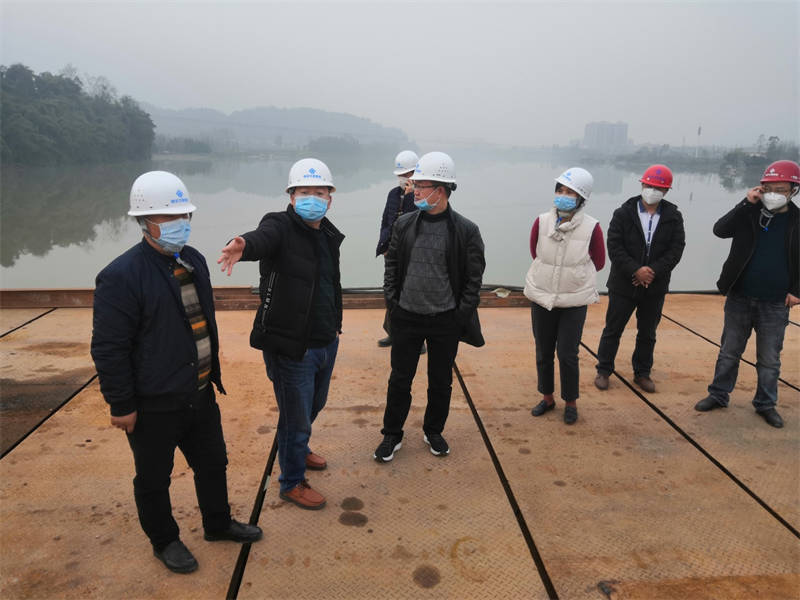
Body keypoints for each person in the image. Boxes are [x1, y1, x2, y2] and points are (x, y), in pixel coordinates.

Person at [91, 171, 262, 575]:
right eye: (168, 217)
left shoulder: (194, 260)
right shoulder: (121, 276)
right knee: (154, 477)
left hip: (199, 392)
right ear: (144, 222)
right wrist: (121, 403)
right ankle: (164, 540)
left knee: (213, 463)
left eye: (184, 215)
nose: (179, 224)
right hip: (154, 403)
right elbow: (109, 348)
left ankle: (218, 524)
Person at [218, 158, 343, 509]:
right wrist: (243, 245)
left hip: (325, 339)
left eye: (319, 192)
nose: (312, 198)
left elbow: (330, 283)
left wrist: (335, 326)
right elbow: (263, 238)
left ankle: (297, 449)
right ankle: (291, 482)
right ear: (291, 197)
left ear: (330, 199)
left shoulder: (327, 234)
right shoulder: (280, 226)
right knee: (295, 418)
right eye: (304, 192)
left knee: (313, 406)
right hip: (291, 347)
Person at [373, 151, 485, 462]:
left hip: (445, 320)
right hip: (406, 317)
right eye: (415, 185)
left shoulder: (466, 230)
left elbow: (473, 280)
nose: (415, 191)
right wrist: (394, 304)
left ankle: (433, 431)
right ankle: (392, 434)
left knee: (440, 381)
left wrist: (458, 316)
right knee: (400, 380)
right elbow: (392, 266)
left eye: (421, 186)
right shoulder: (404, 224)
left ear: (441, 190)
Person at [695, 160, 800, 428]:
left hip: (775, 302)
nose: (774, 194)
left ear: (793, 190)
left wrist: (797, 291)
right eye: (769, 188)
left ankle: (765, 403)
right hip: (740, 296)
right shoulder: (749, 213)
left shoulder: (797, 221)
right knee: (729, 351)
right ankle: (718, 395)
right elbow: (720, 230)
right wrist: (745, 203)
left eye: (781, 189)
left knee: (769, 359)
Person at [594, 164, 685, 393]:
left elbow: (676, 249)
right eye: (649, 186)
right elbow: (614, 246)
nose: (652, 191)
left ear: (666, 191)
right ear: (642, 185)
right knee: (613, 329)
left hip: (654, 286)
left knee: (648, 333)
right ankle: (604, 370)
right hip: (623, 284)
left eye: (658, 188)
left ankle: (642, 373)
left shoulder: (673, 216)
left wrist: (652, 271)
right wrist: (635, 270)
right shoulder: (623, 213)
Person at [525, 167, 605, 425]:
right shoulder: (541, 222)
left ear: (581, 198)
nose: (563, 195)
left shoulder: (592, 227)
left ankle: (570, 402)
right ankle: (547, 398)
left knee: (568, 354)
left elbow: (599, 261)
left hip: (574, 301)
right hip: (542, 297)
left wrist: (572, 277)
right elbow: (535, 252)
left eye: (570, 192)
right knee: (543, 351)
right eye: (560, 190)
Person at [376, 150, 419, 348]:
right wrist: (383, 245)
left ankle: (417, 339)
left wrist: (410, 197)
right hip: (392, 252)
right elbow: (385, 220)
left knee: (411, 295)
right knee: (391, 293)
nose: (403, 178)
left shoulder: (421, 197)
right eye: (401, 175)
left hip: (413, 252)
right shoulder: (393, 194)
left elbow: (414, 221)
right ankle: (393, 332)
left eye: (407, 174)